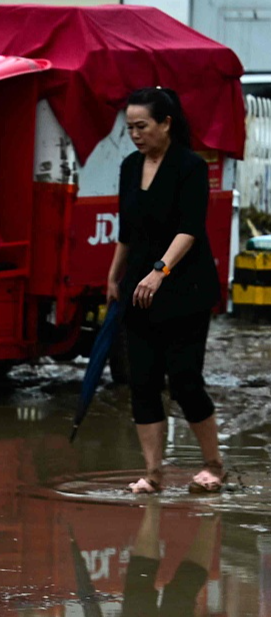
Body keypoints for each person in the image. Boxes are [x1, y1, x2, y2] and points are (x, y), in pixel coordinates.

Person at [107, 87, 223, 495]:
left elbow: (189, 229)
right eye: (130, 128)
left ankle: (213, 464)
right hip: (138, 288)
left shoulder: (190, 167)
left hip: (184, 287)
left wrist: (160, 271)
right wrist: (113, 276)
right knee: (143, 381)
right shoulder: (128, 166)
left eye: (142, 126)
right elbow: (127, 231)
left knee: (185, 379)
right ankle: (153, 473)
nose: (136, 134)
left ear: (166, 123)